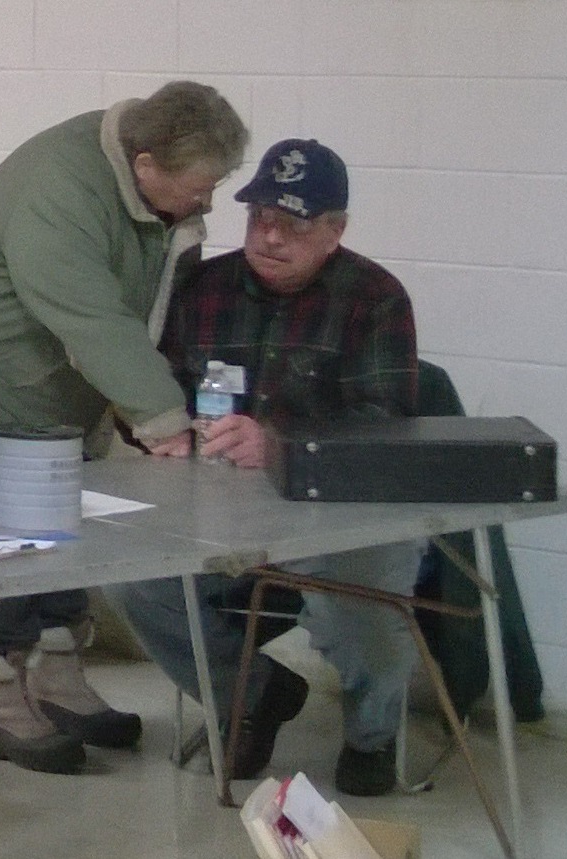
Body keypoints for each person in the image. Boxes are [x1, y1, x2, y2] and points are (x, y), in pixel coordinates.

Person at [0, 81, 248, 775]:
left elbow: (142, 307)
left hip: (53, 383)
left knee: (58, 529)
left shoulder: (150, 192)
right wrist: (164, 421)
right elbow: (92, 318)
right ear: (146, 165)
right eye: (201, 187)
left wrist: (145, 403)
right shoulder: (60, 188)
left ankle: (57, 679)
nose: (209, 201)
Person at [115, 138, 423, 796]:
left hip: (336, 509)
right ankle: (253, 695)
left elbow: (386, 423)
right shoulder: (204, 288)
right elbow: (155, 390)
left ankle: (373, 736)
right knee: (133, 576)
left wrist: (278, 443)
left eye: (294, 225)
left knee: (365, 599)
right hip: (219, 501)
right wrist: (158, 430)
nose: (271, 237)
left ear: (336, 230)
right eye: (260, 219)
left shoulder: (375, 297)